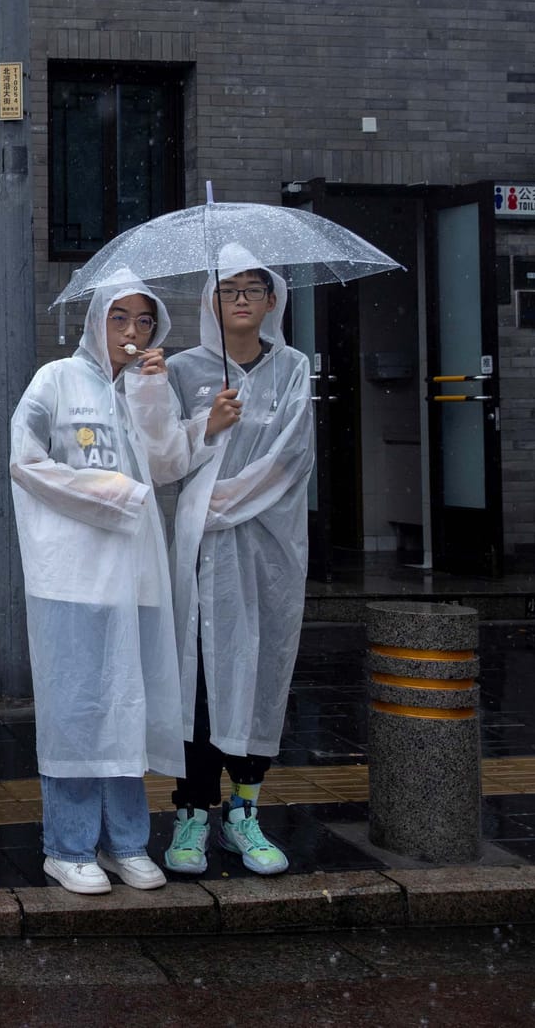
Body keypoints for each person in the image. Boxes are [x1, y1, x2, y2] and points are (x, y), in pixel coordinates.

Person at [10, 277, 218, 895]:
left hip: (136, 575)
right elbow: (25, 461)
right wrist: (112, 494)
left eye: (145, 322)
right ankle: (66, 845)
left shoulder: (144, 389)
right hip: (71, 575)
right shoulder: (55, 381)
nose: (132, 333)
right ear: (96, 319)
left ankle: (126, 841)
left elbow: (166, 465)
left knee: (129, 707)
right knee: (76, 710)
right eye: (120, 318)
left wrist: (181, 409)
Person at [151, 247, 312, 877]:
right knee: (197, 680)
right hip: (199, 553)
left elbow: (292, 455)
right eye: (228, 289)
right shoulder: (183, 369)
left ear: (274, 300)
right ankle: (192, 809)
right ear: (210, 302)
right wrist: (206, 425)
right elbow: (160, 458)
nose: (241, 298)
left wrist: (219, 504)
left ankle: (245, 809)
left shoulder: (293, 368)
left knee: (259, 671)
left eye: (254, 288)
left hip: (268, 546)